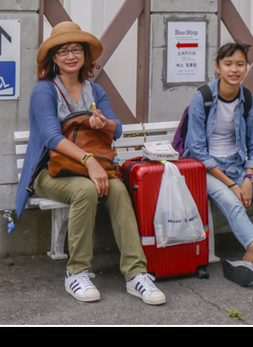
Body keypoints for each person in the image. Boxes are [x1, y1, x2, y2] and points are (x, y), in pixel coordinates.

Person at [14, 21, 166, 306]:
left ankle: (135, 274)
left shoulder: (94, 90)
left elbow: (116, 129)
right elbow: (50, 136)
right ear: (53, 59)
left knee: (118, 191)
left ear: (85, 55)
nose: (70, 56)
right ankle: (76, 272)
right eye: (62, 51)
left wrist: (103, 122)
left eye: (76, 49)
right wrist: (90, 161)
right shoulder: (44, 91)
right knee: (85, 190)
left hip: (88, 169)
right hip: (50, 172)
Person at [184, 42, 253, 297]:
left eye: (239, 64)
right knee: (234, 204)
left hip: (237, 168)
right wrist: (233, 185)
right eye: (228, 64)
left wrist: (247, 178)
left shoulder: (248, 101)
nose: (234, 70)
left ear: (246, 67)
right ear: (218, 68)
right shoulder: (201, 98)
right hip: (208, 172)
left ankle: (247, 261)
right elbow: (198, 151)